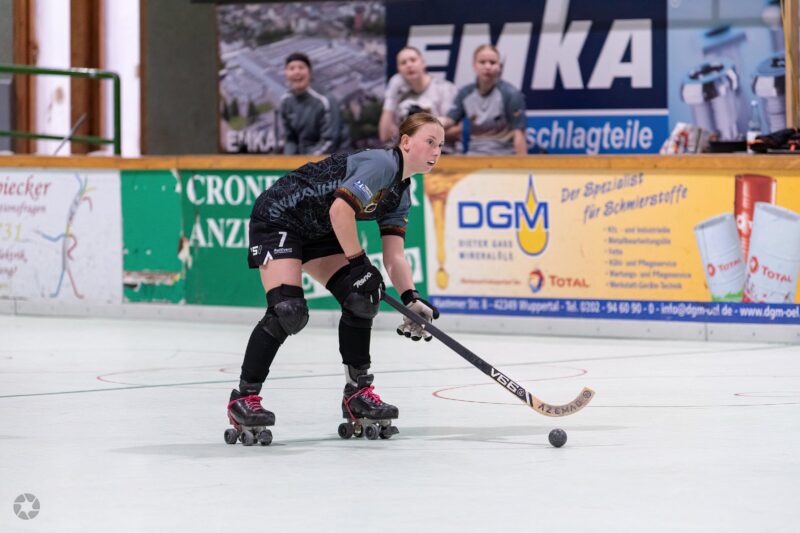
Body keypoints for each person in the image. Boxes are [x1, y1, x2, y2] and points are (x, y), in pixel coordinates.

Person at [226, 112, 444, 443]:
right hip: (280, 216)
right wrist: (359, 264)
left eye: (441, 145)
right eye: (430, 141)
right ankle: (243, 398)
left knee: (361, 298)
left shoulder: (401, 193)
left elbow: (395, 256)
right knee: (288, 311)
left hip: (319, 229)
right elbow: (340, 210)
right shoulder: (382, 164)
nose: (436, 151)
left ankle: (358, 394)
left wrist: (411, 298)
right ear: (406, 142)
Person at [440, 44, 528, 155]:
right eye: (482, 62)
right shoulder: (465, 93)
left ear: (499, 66)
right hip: (474, 155)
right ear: (474, 65)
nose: (487, 67)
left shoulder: (512, 94)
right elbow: (450, 120)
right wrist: (433, 123)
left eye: (492, 62)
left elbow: (519, 134)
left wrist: (521, 164)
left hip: (504, 155)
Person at [379, 46, 457, 149]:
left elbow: (456, 132)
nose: (409, 65)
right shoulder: (398, 95)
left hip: (441, 154)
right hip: (408, 155)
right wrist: (391, 96)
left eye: (413, 60)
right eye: (403, 63)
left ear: (423, 63)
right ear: (399, 70)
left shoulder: (444, 89)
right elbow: (384, 136)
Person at [280, 52, 347, 155]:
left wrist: (306, 162)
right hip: (304, 159)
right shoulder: (286, 101)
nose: (297, 72)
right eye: (291, 68)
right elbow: (290, 139)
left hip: (333, 158)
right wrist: (288, 161)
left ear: (310, 72)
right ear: (286, 73)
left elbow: (330, 142)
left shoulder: (325, 100)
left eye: (301, 67)